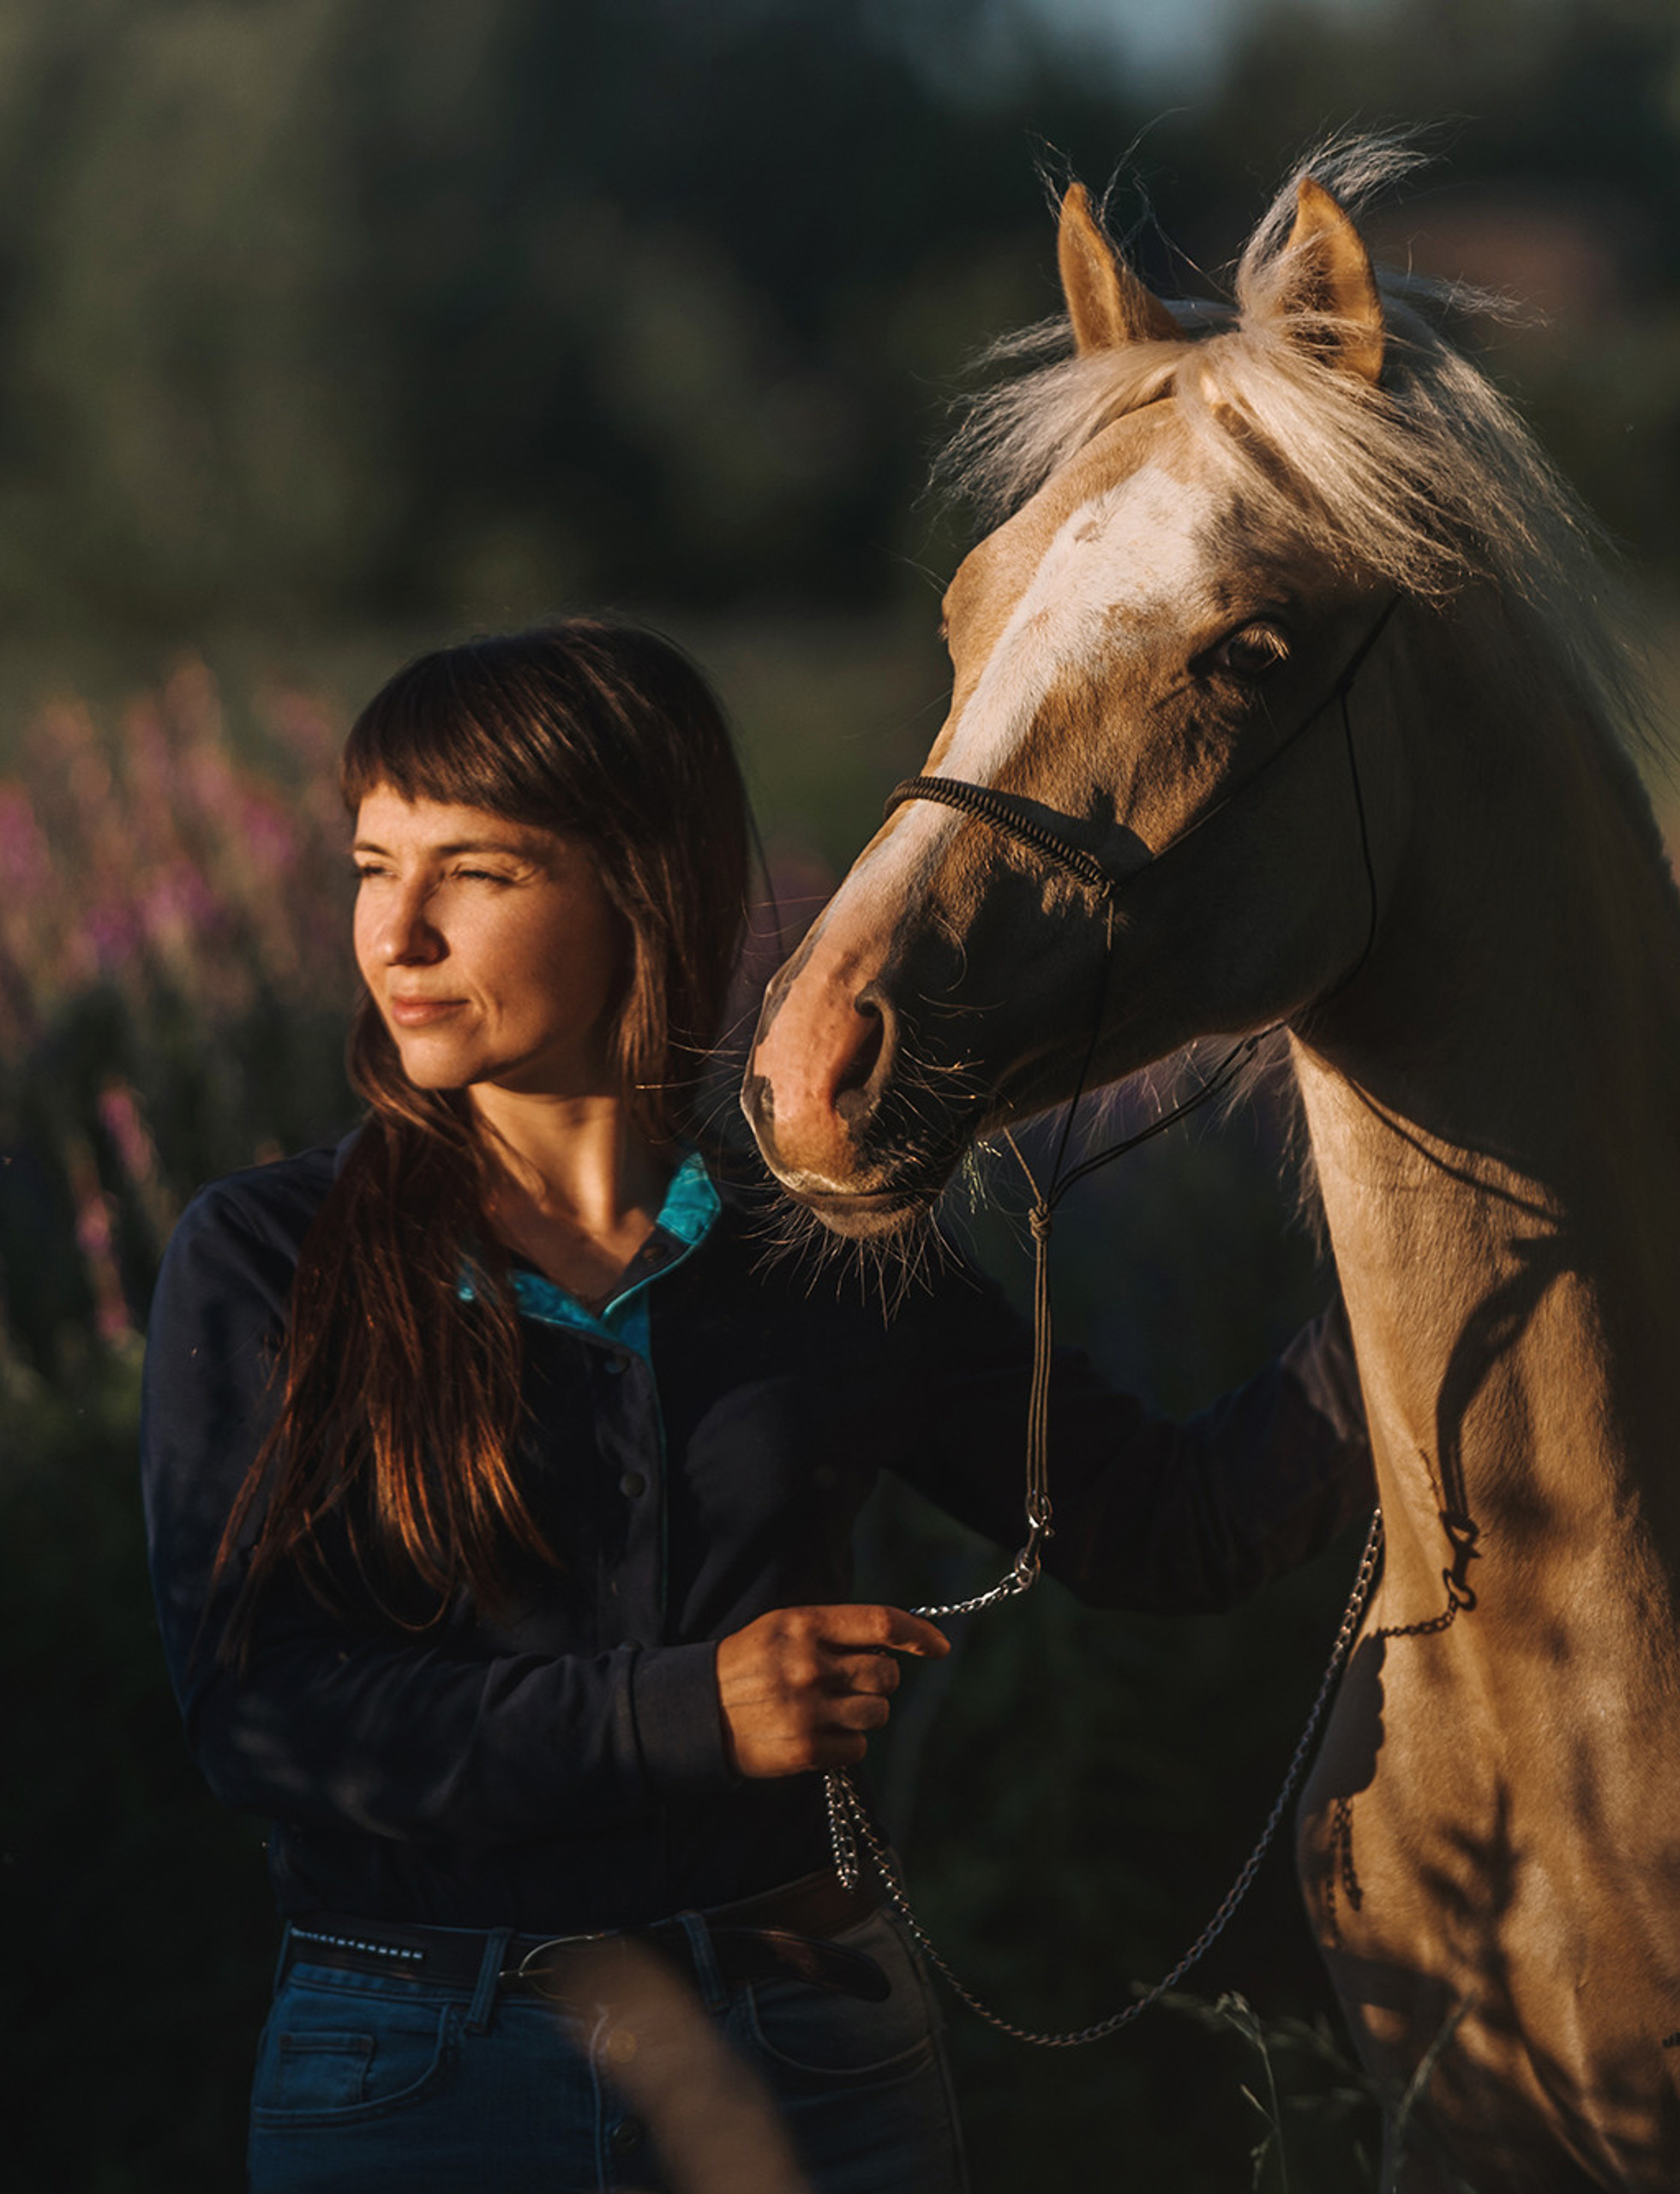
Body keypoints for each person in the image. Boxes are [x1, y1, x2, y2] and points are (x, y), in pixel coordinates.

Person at [140, 619, 1371, 2194]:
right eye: (374, 867)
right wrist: (693, 1711)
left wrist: (1437, 1311)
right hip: (419, 2066)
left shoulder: (824, 1248)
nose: (398, 936)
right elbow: (262, 1717)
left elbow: (1169, 1527)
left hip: (804, 2060)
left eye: (478, 874)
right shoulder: (269, 1259)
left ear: (640, 891)